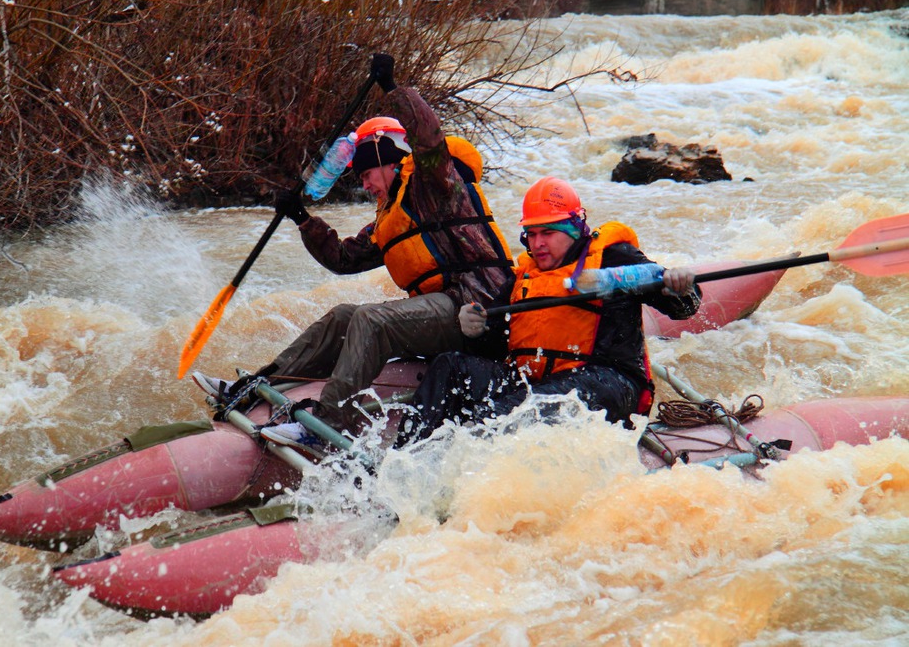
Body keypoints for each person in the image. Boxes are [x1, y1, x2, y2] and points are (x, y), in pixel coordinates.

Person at [193, 53, 514, 457]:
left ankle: (325, 426)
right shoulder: (388, 216)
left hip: (479, 310)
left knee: (371, 320)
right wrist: (302, 218)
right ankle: (258, 386)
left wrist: (392, 90)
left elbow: (429, 135)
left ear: (387, 161)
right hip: (442, 310)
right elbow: (344, 259)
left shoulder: (435, 184)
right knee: (345, 315)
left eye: (365, 175)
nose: (363, 185)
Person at [394, 176, 701, 448]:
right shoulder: (524, 277)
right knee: (451, 366)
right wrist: (474, 330)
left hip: (607, 383)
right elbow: (496, 346)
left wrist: (680, 287)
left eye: (547, 232)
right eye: (531, 233)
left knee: (500, 413)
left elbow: (683, 307)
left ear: (573, 228)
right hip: (535, 382)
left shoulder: (613, 259)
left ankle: (478, 446)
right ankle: (404, 462)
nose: (537, 244)